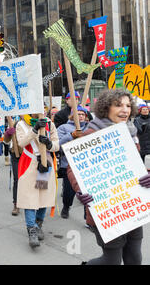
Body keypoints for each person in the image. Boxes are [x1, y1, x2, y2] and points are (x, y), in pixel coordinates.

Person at [68, 89, 149, 265]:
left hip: (131, 205)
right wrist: (80, 188)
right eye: (118, 105)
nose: (125, 110)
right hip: (107, 209)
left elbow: (136, 167)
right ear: (106, 108)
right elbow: (72, 169)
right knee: (111, 260)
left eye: (128, 105)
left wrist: (147, 177)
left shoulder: (131, 132)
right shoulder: (90, 133)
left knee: (135, 257)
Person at [15, 114, 60, 248]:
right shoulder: (21, 124)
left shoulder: (50, 124)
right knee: (30, 199)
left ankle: (38, 224)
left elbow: (57, 144)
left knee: (42, 196)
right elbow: (21, 143)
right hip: (29, 164)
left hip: (45, 164)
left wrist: (50, 144)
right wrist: (34, 130)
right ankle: (32, 230)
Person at [57, 106, 89, 219]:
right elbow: (58, 145)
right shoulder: (63, 128)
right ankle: (66, 206)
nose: (80, 116)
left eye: (82, 114)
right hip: (69, 165)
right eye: (78, 114)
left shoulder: (90, 128)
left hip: (87, 165)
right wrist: (71, 136)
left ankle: (88, 217)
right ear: (72, 115)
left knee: (88, 192)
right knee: (68, 191)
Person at [3, 117, 23, 216]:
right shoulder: (16, 124)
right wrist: (8, 133)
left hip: (32, 156)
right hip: (16, 155)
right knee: (17, 180)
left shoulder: (34, 123)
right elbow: (6, 141)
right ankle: (16, 204)